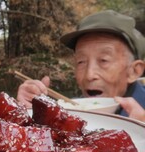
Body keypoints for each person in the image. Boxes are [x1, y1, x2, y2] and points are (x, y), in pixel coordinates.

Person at [17, 10, 145, 122]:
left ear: (133, 71)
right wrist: (30, 116)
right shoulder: (71, 112)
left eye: (104, 60)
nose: (89, 75)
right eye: (81, 62)